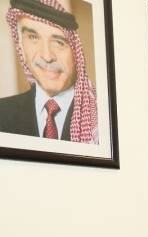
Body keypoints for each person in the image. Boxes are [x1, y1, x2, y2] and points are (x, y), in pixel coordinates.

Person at [0, 0, 98, 143]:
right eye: (33, 37)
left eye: (59, 42)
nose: (47, 56)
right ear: (21, 47)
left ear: (76, 54)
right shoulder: (3, 113)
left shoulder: (100, 117)